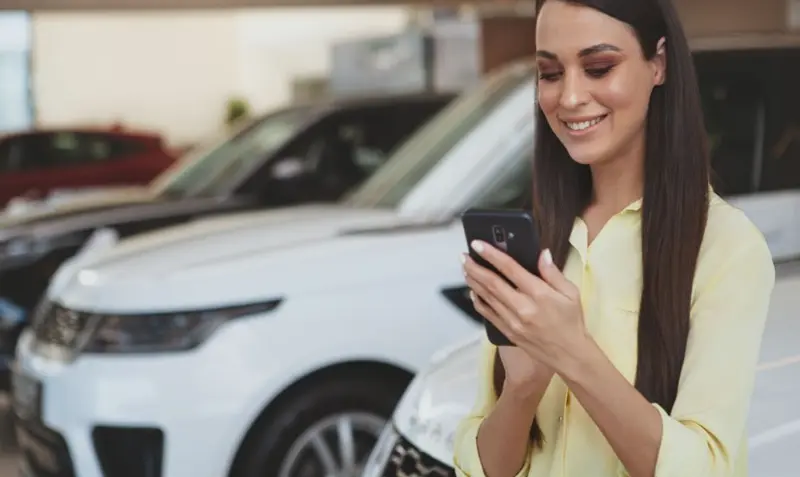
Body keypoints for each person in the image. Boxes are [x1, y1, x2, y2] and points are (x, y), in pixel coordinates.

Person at [454, 0, 775, 476]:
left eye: (599, 67)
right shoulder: (534, 236)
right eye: (550, 73)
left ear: (658, 63)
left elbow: (707, 468)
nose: (570, 98)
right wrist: (522, 388)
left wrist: (573, 353)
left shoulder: (726, 247)